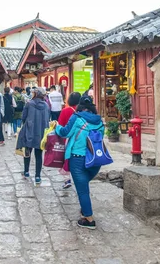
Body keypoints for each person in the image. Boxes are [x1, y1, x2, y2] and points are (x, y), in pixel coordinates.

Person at [55, 95, 105, 229]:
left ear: (79, 106)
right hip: (96, 160)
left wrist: (57, 127)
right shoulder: (99, 120)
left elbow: (65, 132)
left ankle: (89, 219)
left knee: (82, 190)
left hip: (78, 159)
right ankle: (85, 210)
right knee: (84, 186)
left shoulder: (77, 118)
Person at [16, 87, 50, 186]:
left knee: (27, 152)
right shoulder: (46, 106)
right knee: (39, 155)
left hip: (29, 131)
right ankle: (38, 176)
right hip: (41, 133)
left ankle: (26, 171)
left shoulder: (29, 104)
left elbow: (23, 117)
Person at [57, 91, 82, 189]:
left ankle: (67, 179)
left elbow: (60, 125)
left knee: (65, 159)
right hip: (81, 138)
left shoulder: (65, 111)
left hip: (68, 139)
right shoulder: (83, 111)